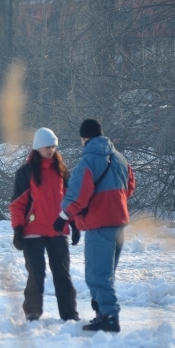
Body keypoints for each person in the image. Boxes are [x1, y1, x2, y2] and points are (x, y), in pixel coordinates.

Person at [54, 119, 135, 332]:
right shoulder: (120, 158)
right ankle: (103, 312)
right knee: (106, 273)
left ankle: (108, 316)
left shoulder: (88, 160)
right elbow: (130, 186)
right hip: (119, 223)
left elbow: (78, 194)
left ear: (84, 138)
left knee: (97, 274)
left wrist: (63, 216)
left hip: (99, 224)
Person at [10, 128, 79, 322]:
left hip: (58, 231)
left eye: (54, 146)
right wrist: (17, 229)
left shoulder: (61, 170)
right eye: (48, 147)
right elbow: (18, 204)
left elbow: (70, 200)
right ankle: (32, 312)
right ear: (38, 147)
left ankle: (69, 313)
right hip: (32, 233)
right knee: (36, 274)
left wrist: (74, 225)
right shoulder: (26, 172)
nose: (51, 150)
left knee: (62, 274)